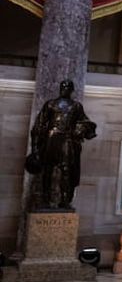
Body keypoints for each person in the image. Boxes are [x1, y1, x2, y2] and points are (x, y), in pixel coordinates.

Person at [26, 79, 97, 210]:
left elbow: (85, 121)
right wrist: (35, 148)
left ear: (71, 90)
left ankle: (64, 200)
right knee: (47, 170)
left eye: (67, 87)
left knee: (67, 170)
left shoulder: (76, 106)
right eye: (63, 86)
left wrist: (83, 129)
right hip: (51, 138)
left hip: (67, 139)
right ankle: (45, 200)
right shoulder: (50, 104)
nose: (64, 89)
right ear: (60, 88)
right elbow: (39, 125)